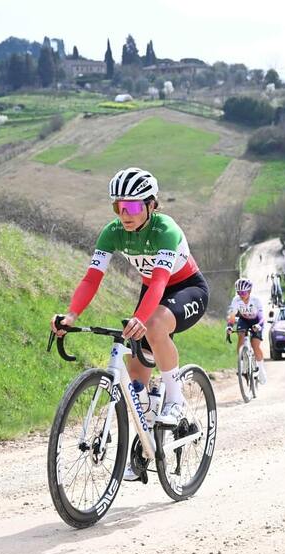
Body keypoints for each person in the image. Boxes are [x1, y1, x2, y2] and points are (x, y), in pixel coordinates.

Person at [51, 167, 209, 479]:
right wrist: (71, 315)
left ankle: (175, 401)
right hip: (152, 291)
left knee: (153, 325)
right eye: (118, 207)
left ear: (152, 205)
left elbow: (162, 281)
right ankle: (146, 443)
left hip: (186, 287)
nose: (125, 214)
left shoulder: (166, 230)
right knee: (136, 379)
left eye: (133, 206)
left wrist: (141, 318)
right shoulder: (112, 232)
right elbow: (92, 278)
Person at [226, 278, 267, 384]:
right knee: (240, 335)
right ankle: (242, 364)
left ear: (249, 291)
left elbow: (262, 317)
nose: (241, 295)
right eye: (239, 292)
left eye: (243, 292)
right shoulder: (236, 300)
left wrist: (259, 325)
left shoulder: (256, 300)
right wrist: (229, 326)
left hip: (256, 321)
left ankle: (261, 370)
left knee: (255, 345)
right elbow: (232, 315)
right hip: (244, 320)